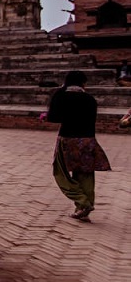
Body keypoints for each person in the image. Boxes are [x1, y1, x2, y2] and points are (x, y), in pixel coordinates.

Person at [42, 70, 111, 221]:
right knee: (85, 174)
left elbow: (53, 118)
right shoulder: (90, 99)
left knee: (61, 173)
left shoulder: (61, 96)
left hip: (68, 139)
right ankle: (83, 208)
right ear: (82, 83)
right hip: (87, 140)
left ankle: (82, 201)